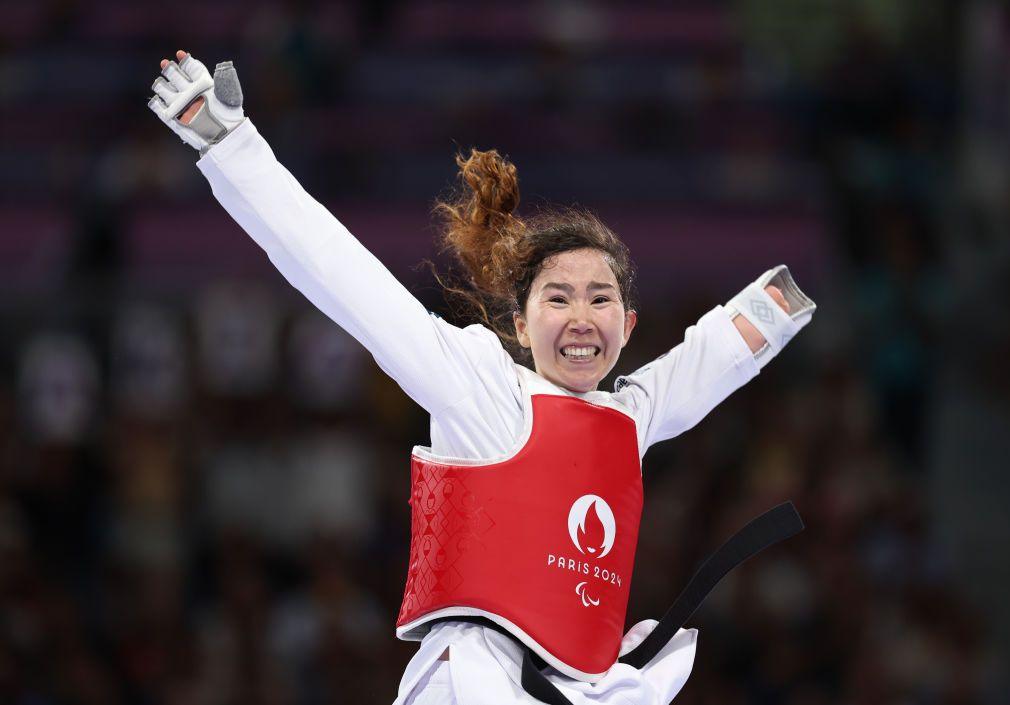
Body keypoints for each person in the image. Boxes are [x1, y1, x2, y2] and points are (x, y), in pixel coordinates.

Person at [149, 51, 816, 705]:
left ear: (629, 324)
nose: (581, 316)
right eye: (558, 298)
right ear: (521, 327)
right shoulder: (481, 384)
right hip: (473, 684)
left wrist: (778, 302)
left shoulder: (630, 415)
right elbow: (337, 274)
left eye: (599, 298)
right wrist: (232, 147)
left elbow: (708, 358)